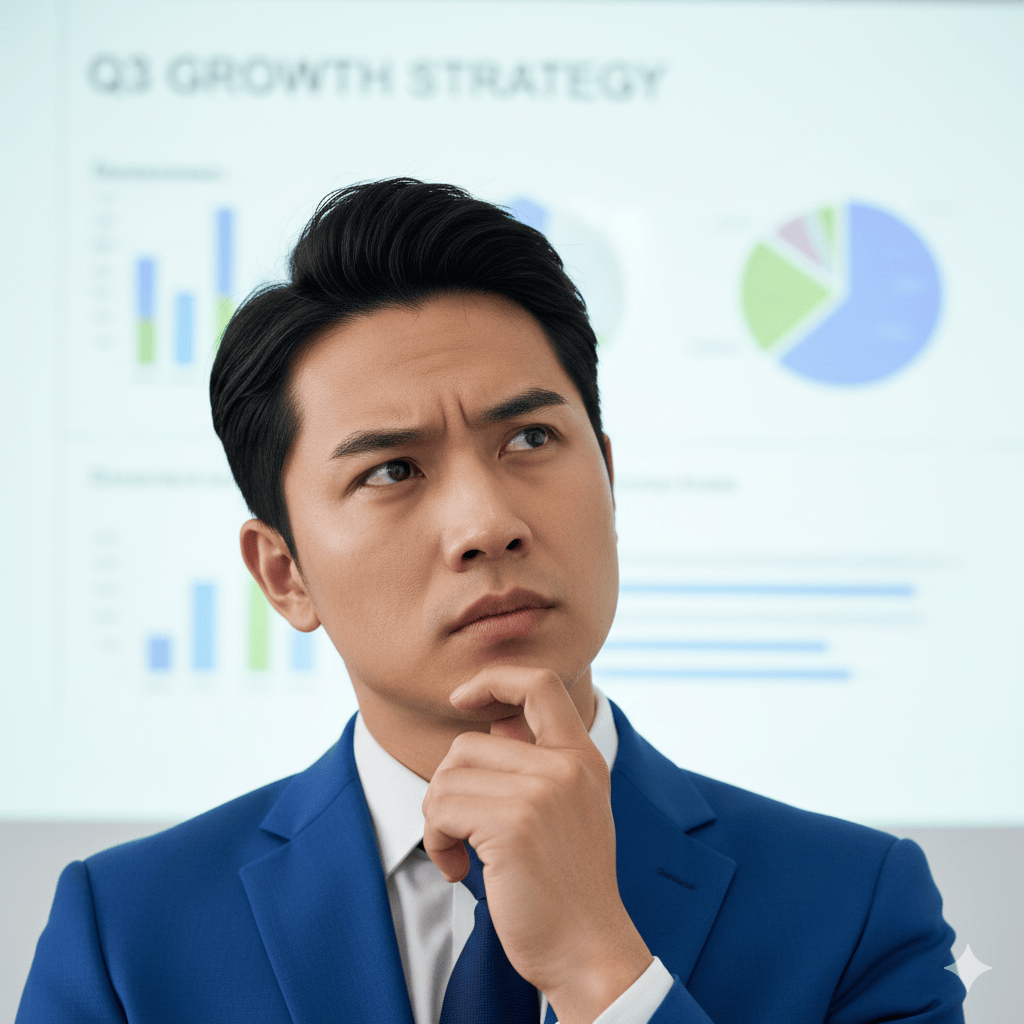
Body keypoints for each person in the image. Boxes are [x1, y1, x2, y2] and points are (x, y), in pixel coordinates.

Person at [18, 178, 965, 1024]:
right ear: (284, 574)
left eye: (529, 442)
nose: (486, 523)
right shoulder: (128, 934)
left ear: (610, 478)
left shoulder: (854, 906)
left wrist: (607, 973)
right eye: (392, 469)